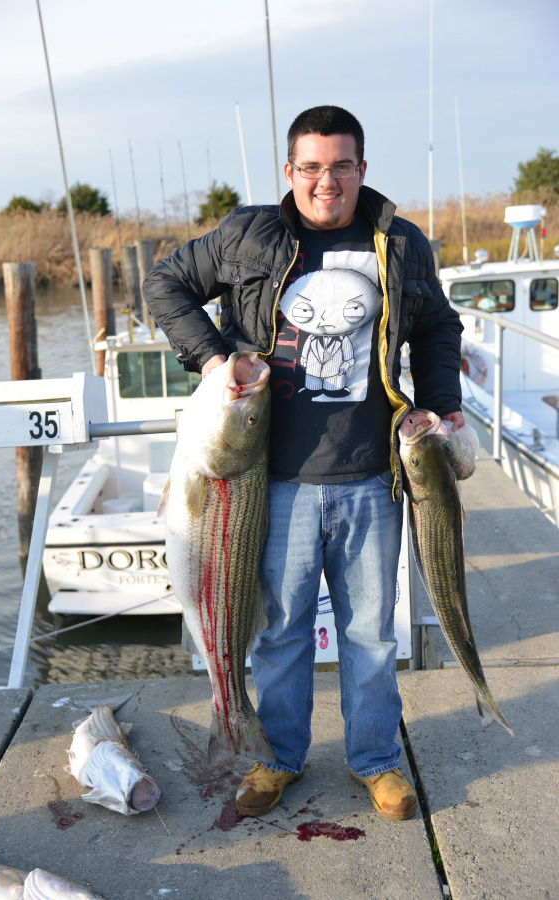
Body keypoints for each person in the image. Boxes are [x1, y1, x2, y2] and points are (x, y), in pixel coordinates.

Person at [143, 105, 464, 822]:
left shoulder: (401, 243)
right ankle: (277, 756)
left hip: (372, 476)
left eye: (341, 165)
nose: (327, 180)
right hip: (272, 481)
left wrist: (443, 404)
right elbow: (165, 284)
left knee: (370, 632)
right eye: (312, 167)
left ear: (362, 169)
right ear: (290, 172)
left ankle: (377, 760)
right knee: (280, 629)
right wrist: (215, 357)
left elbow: (439, 325)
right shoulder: (248, 233)